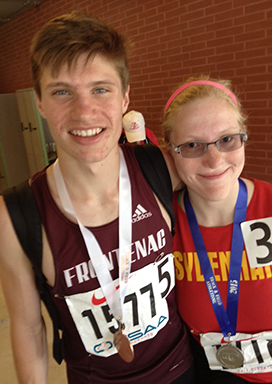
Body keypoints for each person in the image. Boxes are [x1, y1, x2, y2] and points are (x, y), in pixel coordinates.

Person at [0, 11, 194, 384]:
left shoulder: (162, 170)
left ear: (125, 98)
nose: (84, 111)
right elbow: (28, 329)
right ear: (39, 103)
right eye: (61, 91)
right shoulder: (17, 215)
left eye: (100, 89)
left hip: (180, 370)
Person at [162, 75, 272, 383]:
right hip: (208, 373)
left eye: (227, 140)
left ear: (243, 137)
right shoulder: (162, 222)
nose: (214, 159)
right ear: (171, 152)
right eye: (192, 145)